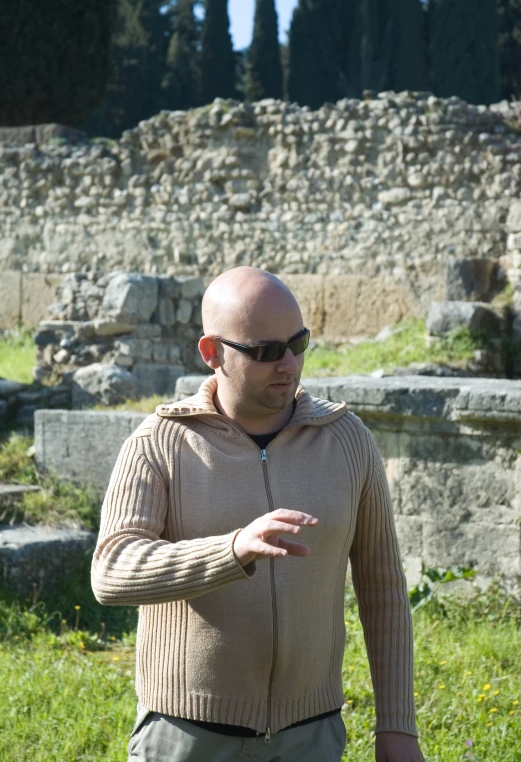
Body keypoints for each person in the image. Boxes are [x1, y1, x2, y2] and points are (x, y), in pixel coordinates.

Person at [91, 266, 425, 762]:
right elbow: (112, 572)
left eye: (299, 342)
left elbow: (383, 588)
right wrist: (232, 550)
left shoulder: (348, 440)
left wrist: (397, 725)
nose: (289, 364)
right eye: (266, 352)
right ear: (212, 353)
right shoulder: (158, 443)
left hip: (310, 736)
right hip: (187, 737)